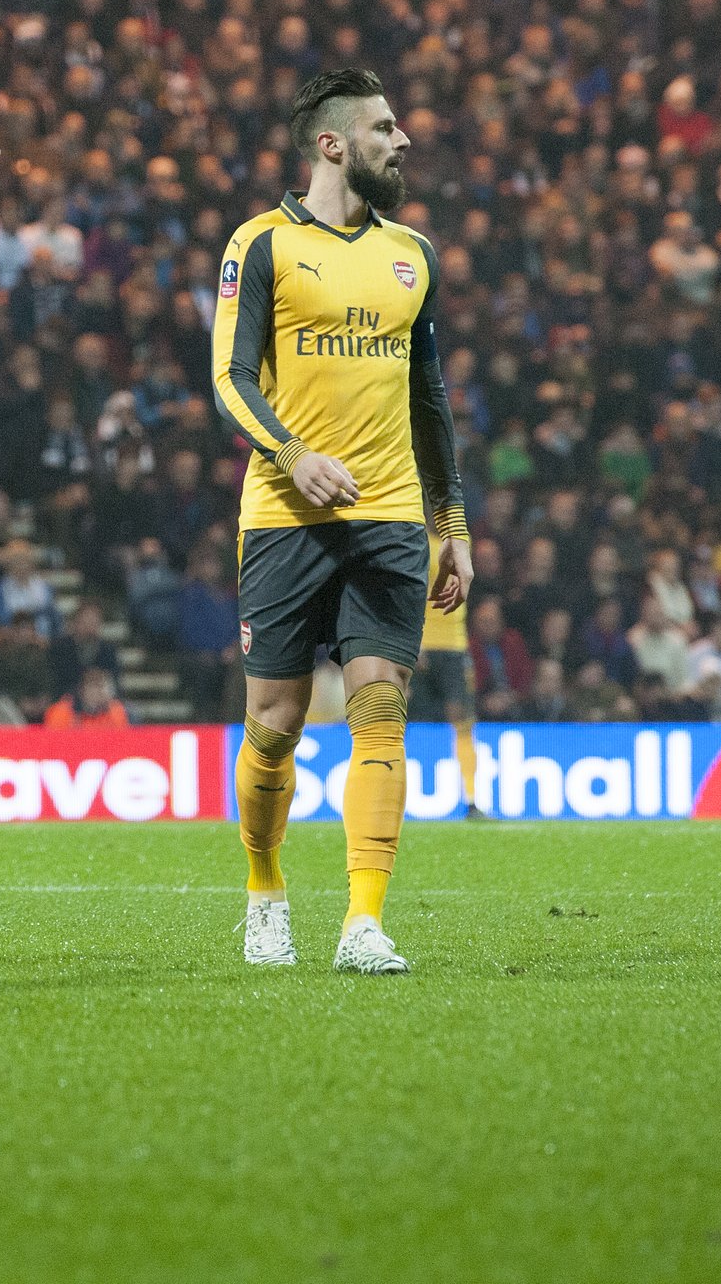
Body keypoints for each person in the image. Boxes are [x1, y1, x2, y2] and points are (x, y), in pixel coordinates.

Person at [210, 68, 472, 974]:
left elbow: (429, 397)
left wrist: (455, 524)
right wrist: (292, 455)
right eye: (385, 127)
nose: (402, 142)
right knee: (275, 722)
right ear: (333, 144)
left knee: (381, 715)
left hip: (392, 513)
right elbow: (229, 379)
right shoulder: (263, 245)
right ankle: (265, 890)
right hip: (284, 516)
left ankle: (363, 922)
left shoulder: (415, 255)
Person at [407, 534, 483, 818]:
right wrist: (414, 641)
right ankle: (394, 796)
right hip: (423, 645)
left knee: (463, 722)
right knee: (401, 720)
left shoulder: (463, 538)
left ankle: (472, 800)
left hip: (455, 646)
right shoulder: (416, 539)